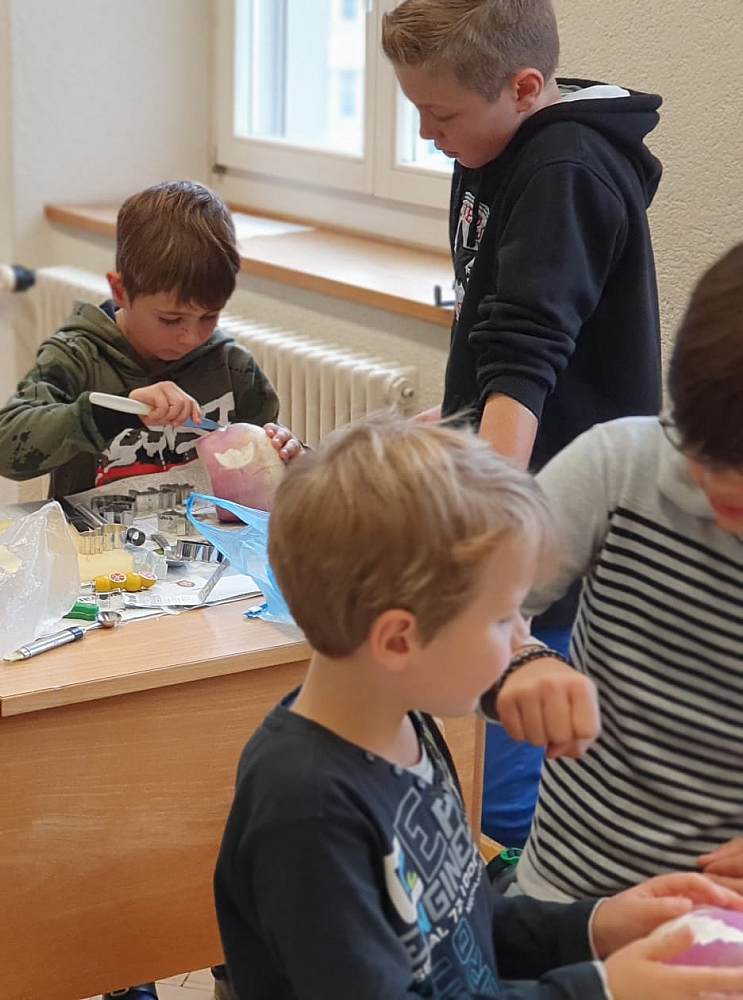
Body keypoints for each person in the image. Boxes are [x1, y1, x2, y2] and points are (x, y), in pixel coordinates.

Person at [213, 413, 743, 999]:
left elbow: (462, 920)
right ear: (399, 640)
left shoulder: (405, 725)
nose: (524, 639)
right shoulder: (307, 812)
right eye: (502, 618)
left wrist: (591, 926)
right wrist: (601, 989)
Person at [383, 0, 664, 847]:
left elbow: (527, 354)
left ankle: (515, 893)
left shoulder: (563, 172)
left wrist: (487, 529)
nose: (427, 133)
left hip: (553, 515)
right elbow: (499, 323)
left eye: (440, 116)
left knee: (508, 760)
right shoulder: (494, 140)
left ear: (525, 87)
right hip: (515, 472)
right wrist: (458, 423)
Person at [487, 239, 743, 903]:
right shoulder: (620, 464)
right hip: (563, 900)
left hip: (716, 933)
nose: (717, 487)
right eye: (699, 453)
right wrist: (516, 659)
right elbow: (461, 604)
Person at [0, 180, 298, 500]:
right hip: (91, 533)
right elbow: (3, 449)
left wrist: (288, 457)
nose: (191, 337)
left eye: (209, 316)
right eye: (170, 319)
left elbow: (267, 476)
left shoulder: (232, 367)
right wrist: (117, 410)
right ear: (121, 292)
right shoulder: (77, 358)